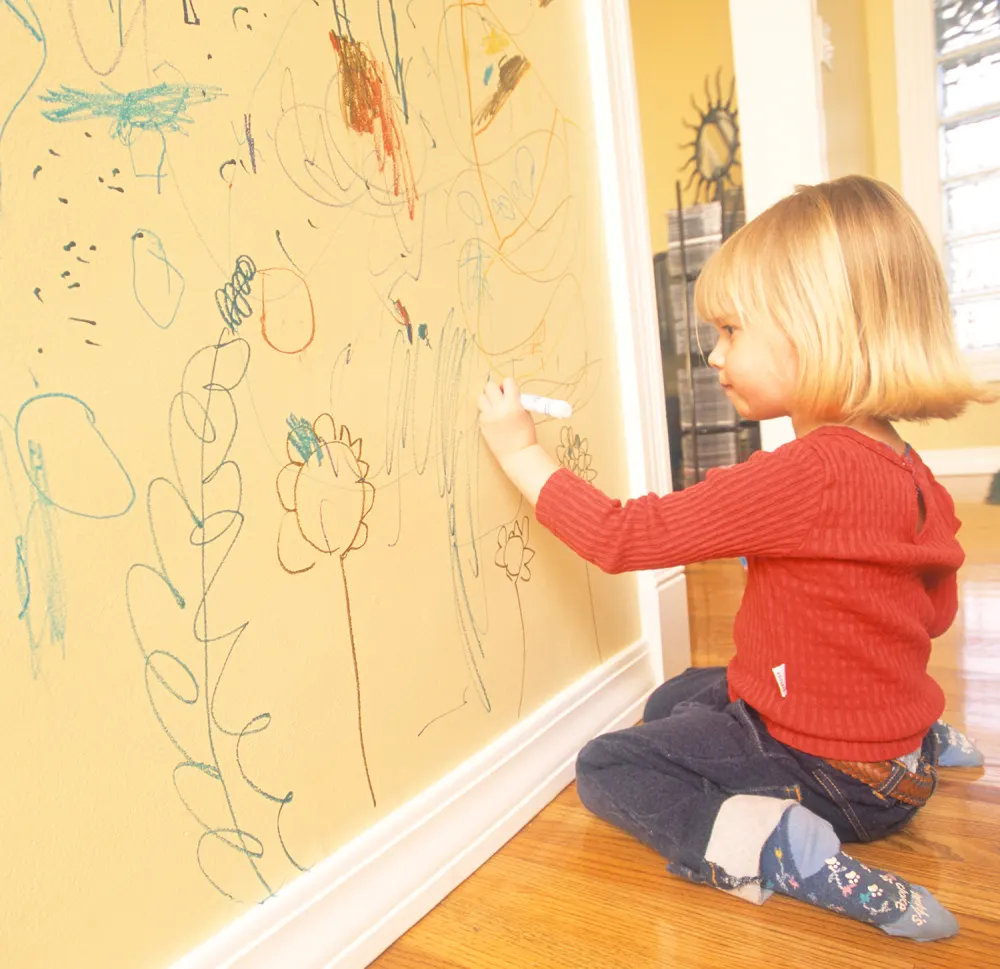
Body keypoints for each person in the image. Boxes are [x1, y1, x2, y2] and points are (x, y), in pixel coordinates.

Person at [477, 176, 994, 942]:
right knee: (677, 694)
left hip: (836, 780)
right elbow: (934, 610)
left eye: (730, 330)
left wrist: (521, 452)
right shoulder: (911, 468)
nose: (715, 354)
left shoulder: (803, 473)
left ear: (816, 328)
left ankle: (777, 849)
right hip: (894, 764)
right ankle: (919, 741)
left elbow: (624, 536)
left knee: (609, 765)